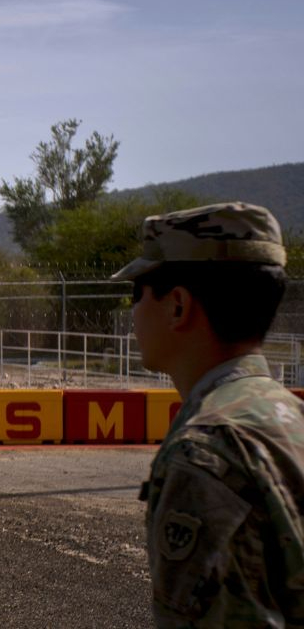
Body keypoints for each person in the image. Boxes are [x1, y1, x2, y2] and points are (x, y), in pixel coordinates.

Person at [112, 202, 304, 626]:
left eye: (137, 292)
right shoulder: (291, 416)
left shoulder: (204, 455)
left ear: (177, 306)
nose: (133, 311)